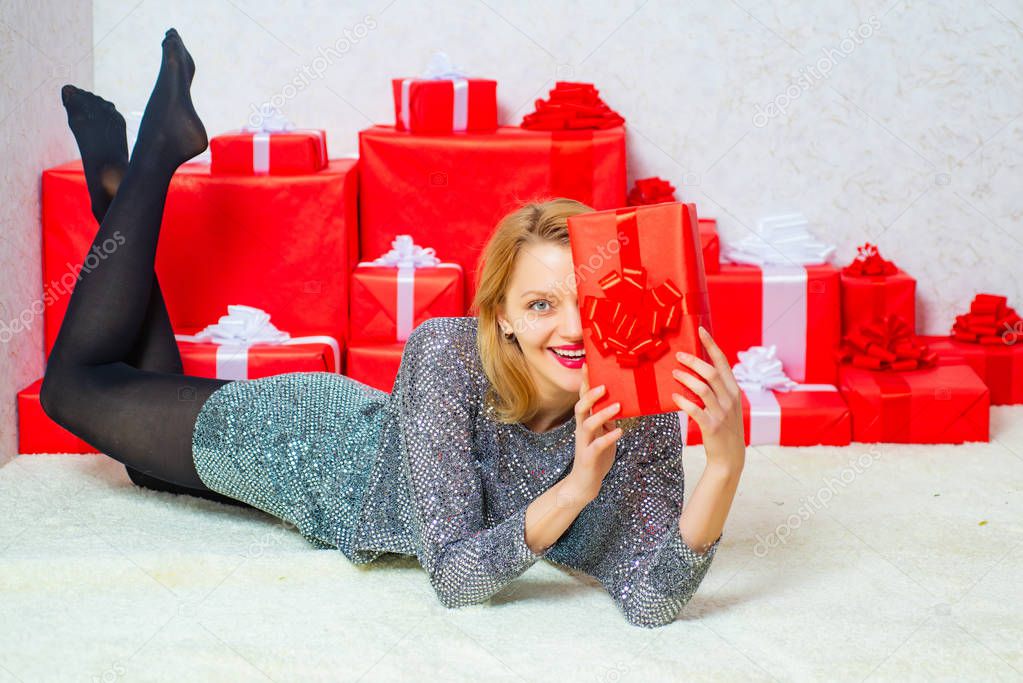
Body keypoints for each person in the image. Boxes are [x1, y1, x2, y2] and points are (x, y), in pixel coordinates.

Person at [41, 28, 746, 628]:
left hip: (351, 453)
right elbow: (455, 579)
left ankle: (116, 190)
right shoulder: (448, 352)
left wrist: (721, 465)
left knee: (145, 462)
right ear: (499, 314)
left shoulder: (639, 407)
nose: (570, 328)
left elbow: (654, 601)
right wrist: (574, 488)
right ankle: (158, 154)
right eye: (539, 304)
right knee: (73, 390)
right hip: (307, 450)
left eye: (586, 301)